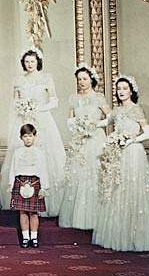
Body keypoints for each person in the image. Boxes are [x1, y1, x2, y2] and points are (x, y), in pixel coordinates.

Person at [92, 76, 149, 252]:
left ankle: (138, 236)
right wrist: (86, 123)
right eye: (119, 88)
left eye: (124, 88)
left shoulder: (136, 110)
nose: (121, 91)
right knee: (118, 189)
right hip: (118, 155)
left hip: (133, 153)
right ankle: (121, 234)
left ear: (131, 91)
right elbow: (105, 122)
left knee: (134, 191)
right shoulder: (117, 110)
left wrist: (131, 141)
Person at [0, 48, 64, 216]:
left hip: (42, 120)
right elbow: (14, 103)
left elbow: (54, 101)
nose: (30, 64)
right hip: (24, 120)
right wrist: (23, 110)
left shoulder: (46, 78)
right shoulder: (18, 80)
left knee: (44, 155)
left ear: (38, 62)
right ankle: (22, 199)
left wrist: (38, 108)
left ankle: (45, 198)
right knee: (21, 156)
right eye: (27, 62)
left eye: (32, 61)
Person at [59, 64, 110, 230]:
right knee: (78, 175)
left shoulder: (99, 97)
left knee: (96, 174)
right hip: (80, 140)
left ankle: (99, 217)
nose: (81, 82)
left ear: (91, 80)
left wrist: (94, 125)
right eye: (79, 79)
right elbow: (69, 120)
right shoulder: (74, 99)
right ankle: (79, 218)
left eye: (85, 79)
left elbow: (110, 117)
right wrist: (79, 127)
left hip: (96, 139)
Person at [8, 124, 49, 248]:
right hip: (20, 182)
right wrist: (11, 185)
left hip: (35, 182)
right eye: (25, 136)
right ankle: (25, 237)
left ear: (35, 136)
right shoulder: (17, 152)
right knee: (23, 212)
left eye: (30, 136)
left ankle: (34, 238)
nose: (28, 139)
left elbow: (43, 170)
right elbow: (13, 169)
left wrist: (44, 187)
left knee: (34, 213)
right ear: (21, 137)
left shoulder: (39, 152)